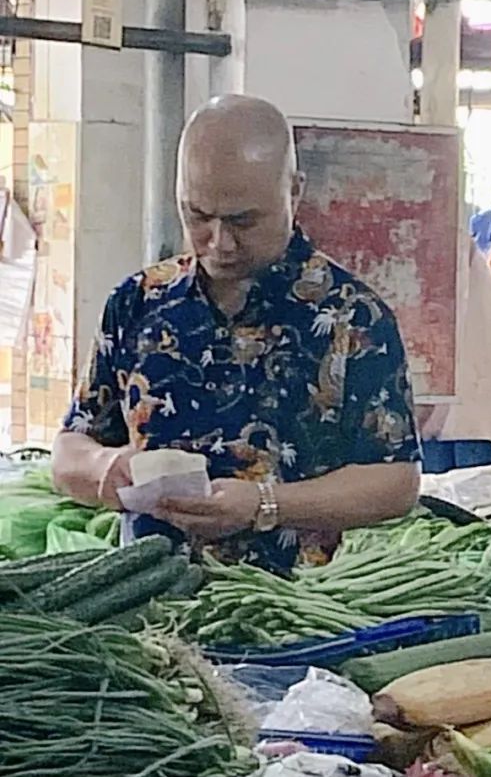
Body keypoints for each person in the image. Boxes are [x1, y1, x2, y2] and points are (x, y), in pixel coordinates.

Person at [53, 95, 420, 570]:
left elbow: (396, 482)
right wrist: (105, 468)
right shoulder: (138, 302)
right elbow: (70, 448)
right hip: (147, 597)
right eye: (198, 216)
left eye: (243, 220)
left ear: (294, 192)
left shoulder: (354, 318)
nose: (219, 242)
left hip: (297, 610)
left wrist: (266, 505)